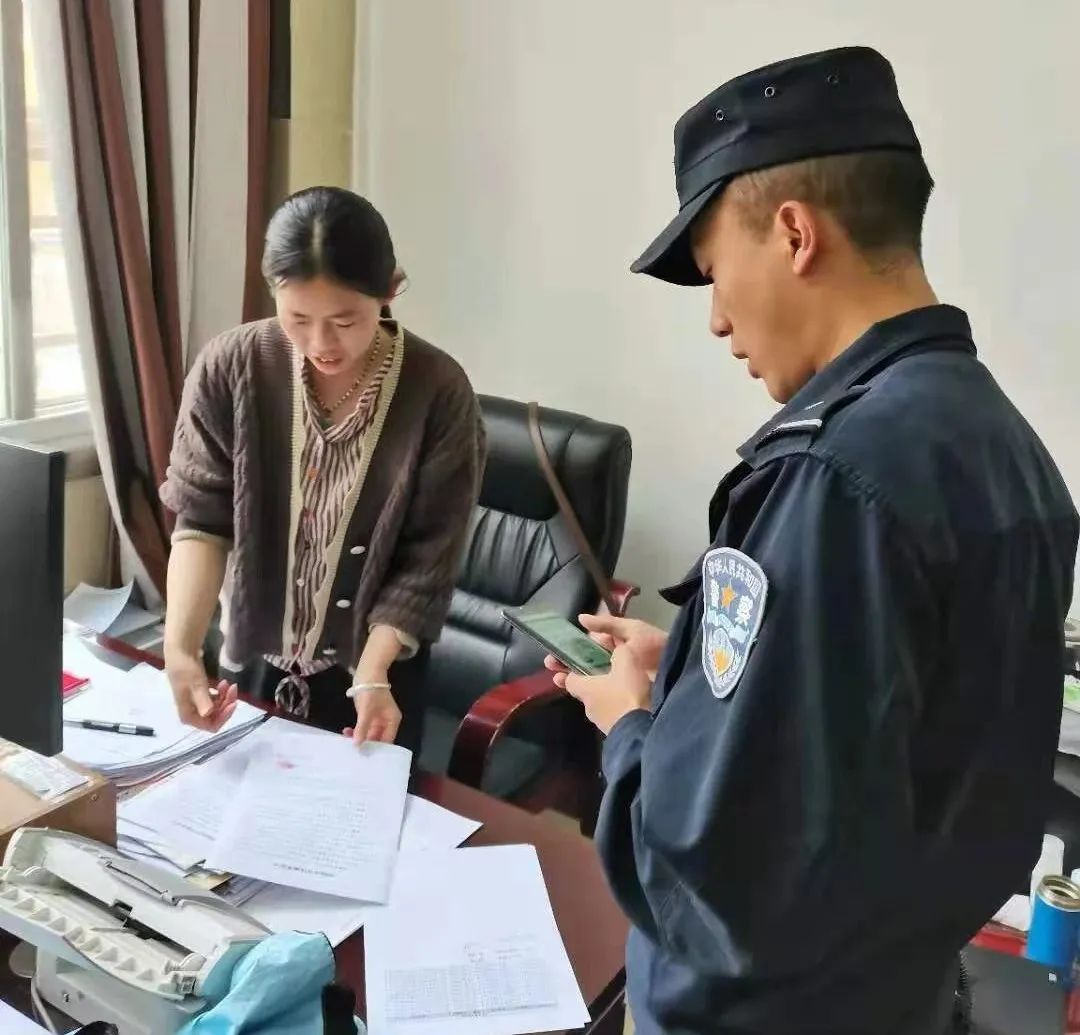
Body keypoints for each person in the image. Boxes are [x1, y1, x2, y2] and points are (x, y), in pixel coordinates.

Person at [547, 47, 1079, 1034]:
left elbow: (713, 869)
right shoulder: (1004, 449)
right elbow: (886, 740)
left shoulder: (833, 477)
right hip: (898, 994)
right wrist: (691, 676)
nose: (718, 320)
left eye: (716, 274)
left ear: (794, 234)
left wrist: (631, 725)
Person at [160, 186, 484, 753]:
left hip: (375, 679)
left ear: (390, 290)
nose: (320, 342)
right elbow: (202, 521)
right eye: (298, 318)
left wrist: (373, 672)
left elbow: (426, 562)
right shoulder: (228, 367)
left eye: (345, 320)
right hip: (249, 662)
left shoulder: (439, 391)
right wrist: (180, 648)